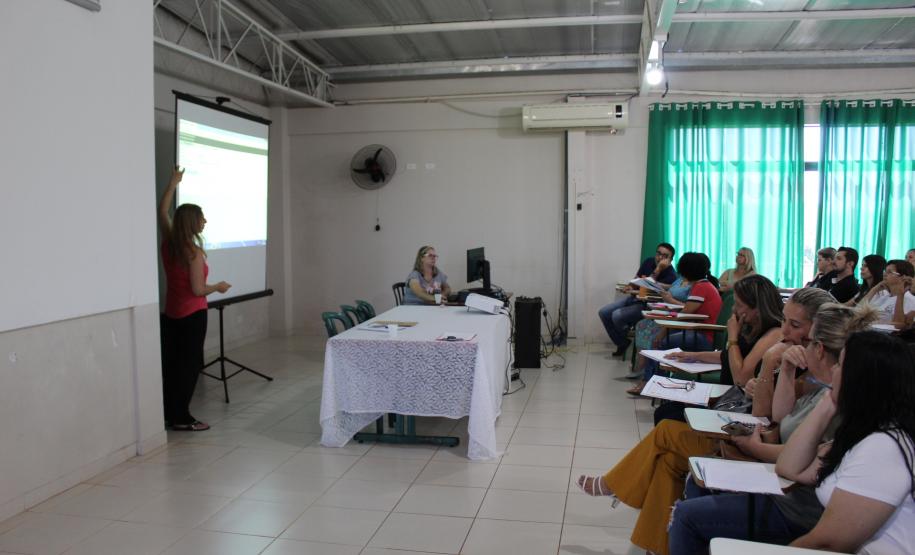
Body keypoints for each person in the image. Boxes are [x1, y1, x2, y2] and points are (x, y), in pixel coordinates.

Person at [669, 331, 915, 555]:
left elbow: (829, 543)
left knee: (687, 517)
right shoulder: (863, 431)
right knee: (693, 497)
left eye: (840, 365)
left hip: (815, 529)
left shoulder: (884, 447)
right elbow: (789, 467)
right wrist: (829, 402)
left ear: (859, 380)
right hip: (810, 525)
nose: (834, 370)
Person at [158, 167, 231, 432]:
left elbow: (162, 211)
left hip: (171, 314)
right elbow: (198, 290)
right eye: (201, 218)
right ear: (192, 223)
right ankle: (182, 417)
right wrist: (218, 287)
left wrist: (172, 183)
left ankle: (169, 413)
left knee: (172, 365)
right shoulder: (193, 252)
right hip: (193, 316)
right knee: (189, 366)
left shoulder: (169, 243)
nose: (205, 222)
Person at [626, 253, 722, 396]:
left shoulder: (702, 287)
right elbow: (687, 311)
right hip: (695, 331)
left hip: (702, 336)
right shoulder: (701, 285)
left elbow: (685, 314)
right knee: (656, 338)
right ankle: (651, 382)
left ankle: (652, 384)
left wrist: (663, 331)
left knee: (660, 342)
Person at [599, 242, 677, 357]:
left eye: (665, 256)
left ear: (670, 260)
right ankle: (622, 342)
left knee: (617, 316)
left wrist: (659, 268)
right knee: (604, 312)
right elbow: (637, 278)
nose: (660, 257)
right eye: (658, 253)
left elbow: (650, 285)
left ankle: (629, 334)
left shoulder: (671, 274)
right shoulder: (648, 261)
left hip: (647, 306)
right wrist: (630, 286)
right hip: (634, 298)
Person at [859, 259, 915, 325]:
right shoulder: (883, 295)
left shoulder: (909, 299)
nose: (884, 274)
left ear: (903, 277)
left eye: (889, 272)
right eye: (885, 271)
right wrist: (874, 289)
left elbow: (899, 324)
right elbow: (858, 311)